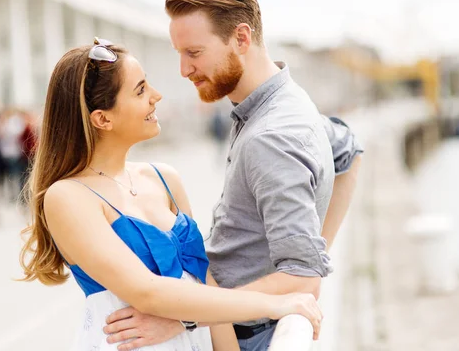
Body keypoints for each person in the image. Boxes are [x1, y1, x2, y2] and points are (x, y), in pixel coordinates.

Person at [104, 0, 363, 351]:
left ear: (241, 37)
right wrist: (313, 244)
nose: (184, 69)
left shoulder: (272, 137)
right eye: (180, 53)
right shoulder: (284, 103)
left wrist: (184, 319)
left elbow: (303, 279)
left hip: (242, 338)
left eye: (194, 52)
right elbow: (350, 150)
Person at [19, 39, 323, 351]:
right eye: (140, 90)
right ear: (103, 119)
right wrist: (273, 305)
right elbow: (147, 291)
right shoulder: (68, 196)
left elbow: (206, 281)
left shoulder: (165, 178)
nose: (156, 96)